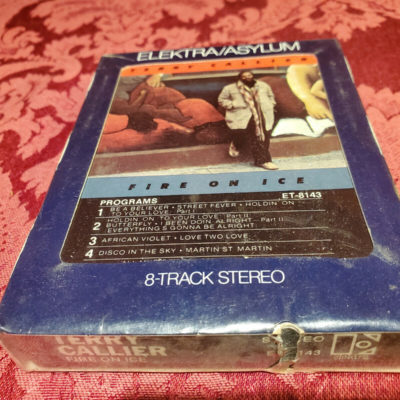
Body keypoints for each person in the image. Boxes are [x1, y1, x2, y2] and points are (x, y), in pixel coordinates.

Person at [218, 71, 278, 170]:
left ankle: (264, 161)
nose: (247, 78)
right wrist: (233, 105)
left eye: (249, 75)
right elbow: (221, 100)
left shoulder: (263, 85)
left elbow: (271, 96)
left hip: (262, 114)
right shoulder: (230, 88)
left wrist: (270, 104)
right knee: (241, 133)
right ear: (240, 78)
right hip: (243, 115)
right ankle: (236, 144)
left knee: (262, 136)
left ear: (253, 76)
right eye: (244, 77)